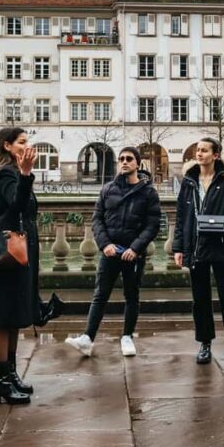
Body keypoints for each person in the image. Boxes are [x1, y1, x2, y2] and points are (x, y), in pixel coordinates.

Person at [65, 146, 161, 357]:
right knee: (100, 295)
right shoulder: (108, 189)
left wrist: (136, 248)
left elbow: (152, 225)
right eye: (121, 159)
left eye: (129, 159)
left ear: (137, 163)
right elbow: (97, 219)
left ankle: (127, 336)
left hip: (132, 253)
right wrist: (105, 244)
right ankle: (87, 338)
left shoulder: (148, 192)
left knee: (132, 295)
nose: (124, 162)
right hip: (110, 252)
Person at [173, 137, 224, 368]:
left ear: (215, 155)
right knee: (200, 300)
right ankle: (205, 344)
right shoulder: (188, 181)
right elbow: (181, 217)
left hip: (220, 246)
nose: (199, 154)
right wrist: (179, 248)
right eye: (197, 150)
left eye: (204, 150)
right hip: (196, 247)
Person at [0, 127, 39, 405]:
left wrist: (25, 174)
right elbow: (16, 207)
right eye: (22, 142)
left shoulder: (13, 172)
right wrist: (26, 173)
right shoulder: (7, 172)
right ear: (7, 146)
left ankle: (10, 374)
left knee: (13, 315)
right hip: (7, 253)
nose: (27, 146)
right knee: (2, 318)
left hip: (18, 251)